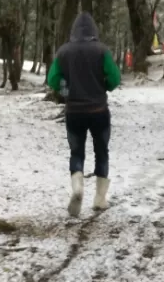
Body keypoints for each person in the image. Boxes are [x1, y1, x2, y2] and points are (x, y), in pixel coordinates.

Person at [46, 12, 121, 217]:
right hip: (99, 110)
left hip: (74, 111)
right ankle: (99, 198)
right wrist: (103, 85)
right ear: (93, 30)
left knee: (77, 152)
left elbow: (53, 79)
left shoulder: (63, 52)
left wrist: (65, 90)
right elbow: (115, 79)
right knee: (102, 152)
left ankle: (77, 186)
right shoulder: (102, 50)